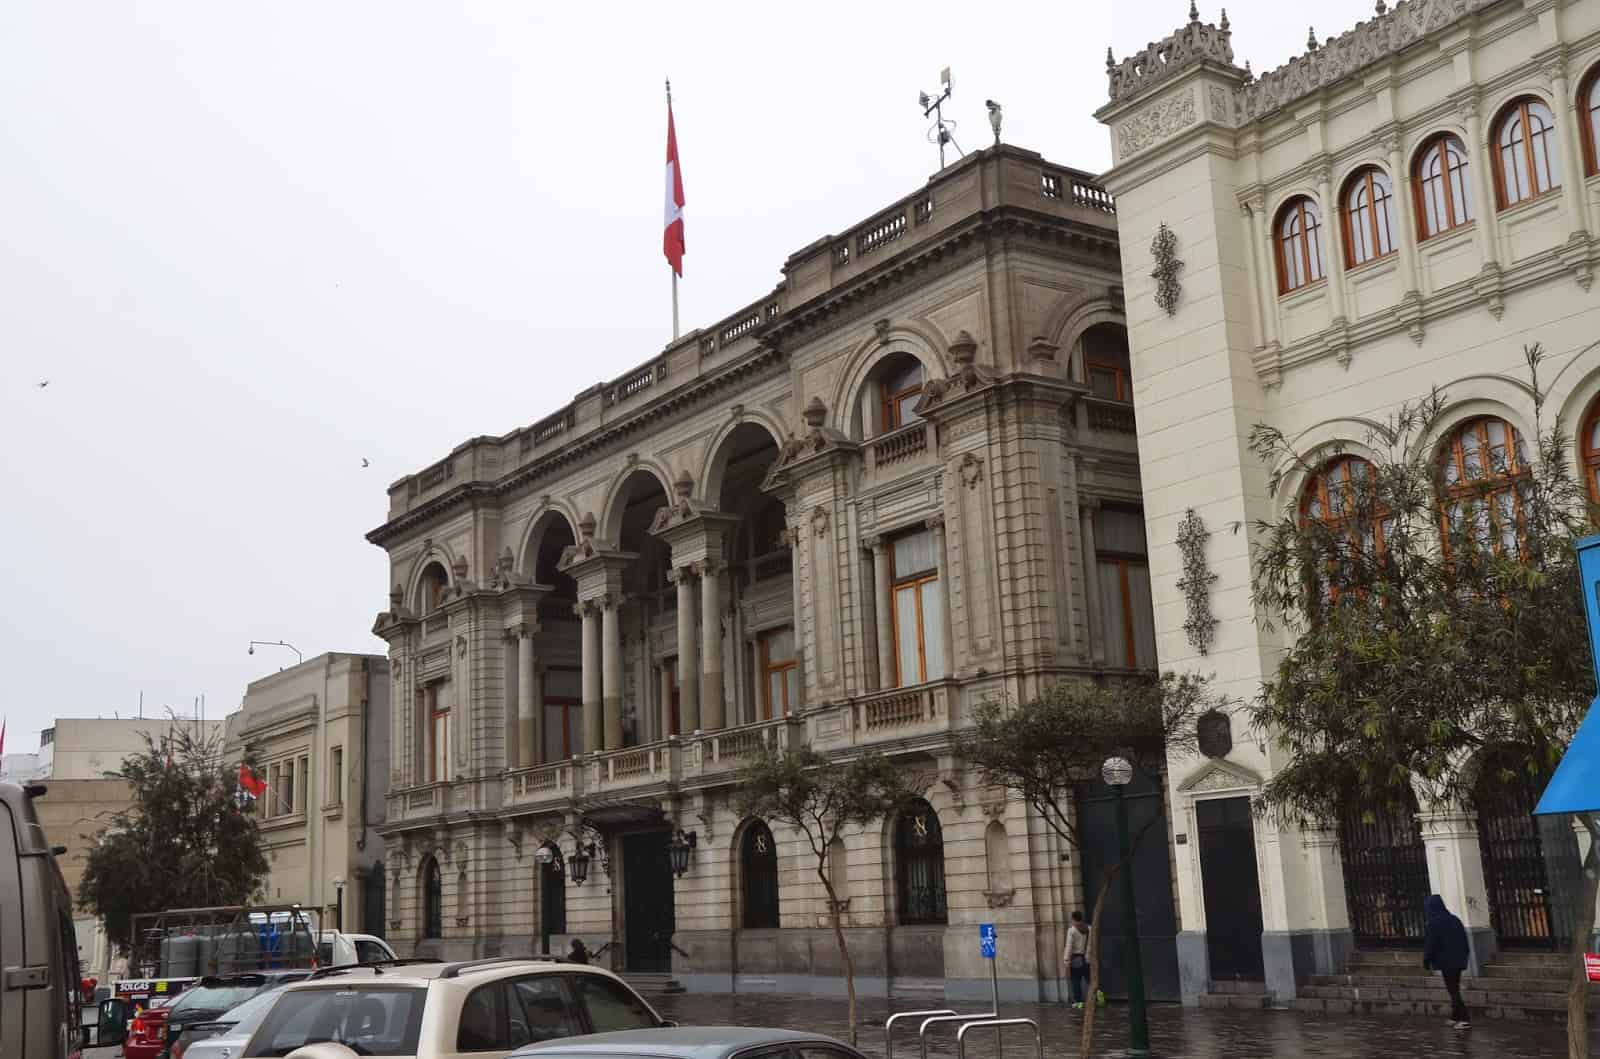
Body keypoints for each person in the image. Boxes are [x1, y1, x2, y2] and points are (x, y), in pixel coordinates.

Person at [1422, 894, 1471, 1029]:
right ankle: (1455, 1016)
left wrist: (1427, 960)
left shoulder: (1433, 923)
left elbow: (1431, 944)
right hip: (1459, 960)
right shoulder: (1455, 919)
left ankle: (1464, 1018)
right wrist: (1465, 954)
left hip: (1446, 962)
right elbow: (1464, 939)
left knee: (1453, 990)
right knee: (1454, 987)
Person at [1064, 911, 1092, 1009]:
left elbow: (1069, 946)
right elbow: (1090, 945)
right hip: (1087, 958)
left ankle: (1079, 1002)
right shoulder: (1089, 929)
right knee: (1090, 980)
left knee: (1075, 980)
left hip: (1076, 959)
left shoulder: (1072, 930)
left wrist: (1066, 960)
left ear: (1073, 919)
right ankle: (1097, 996)